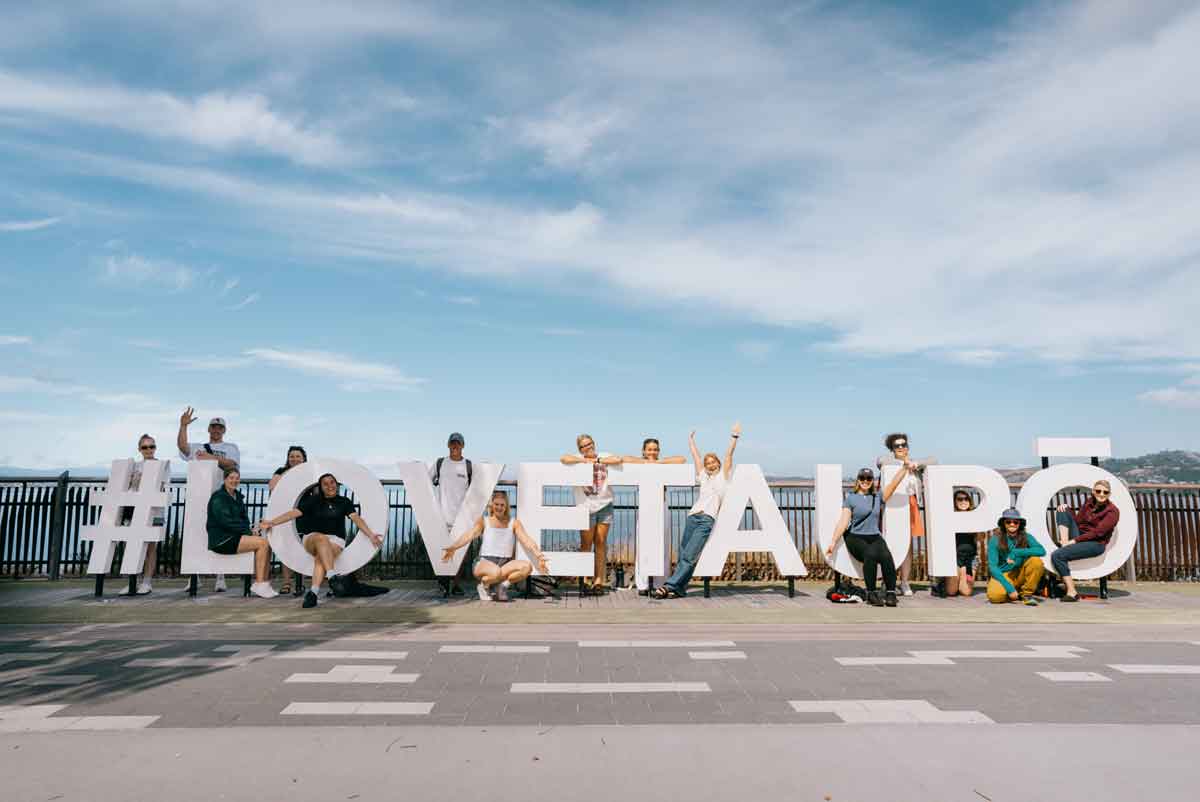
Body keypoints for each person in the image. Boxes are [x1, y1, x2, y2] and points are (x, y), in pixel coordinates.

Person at [259, 472, 384, 609]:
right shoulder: (314, 500)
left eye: (332, 482)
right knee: (321, 539)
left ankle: (313, 593)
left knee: (320, 558)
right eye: (325, 484)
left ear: (337, 484)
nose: (330, 486)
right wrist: (272, 522)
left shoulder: (344, 502)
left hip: (336, 541)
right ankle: (332, 576)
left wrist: (371, 535)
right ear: (320, 487)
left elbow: (357, 519)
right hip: (313, 538)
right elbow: (293, 513)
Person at [652, 423, 741, 599]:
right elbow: (696, 457)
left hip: (706, 519)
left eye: (712, 461)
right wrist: (691, 441)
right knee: (684, 554)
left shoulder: (724, 476)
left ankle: (669, 585)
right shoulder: (703, 477)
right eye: (707, 462)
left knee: (690, 556)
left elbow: (729, 454)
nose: (709, 464)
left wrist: (734, 437)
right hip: (692, 517)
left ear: (718, 463)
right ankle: (679, 589)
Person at [824, 466, 910, 607]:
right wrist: (833, 541)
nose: (865, 481)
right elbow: (843, 522)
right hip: (855, 536)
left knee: (886, 556)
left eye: (869, 478)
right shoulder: (851, 499)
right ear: (858, 480)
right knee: (870, 554)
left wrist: (904, 468)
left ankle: (890, 593)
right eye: (862, 478)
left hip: (874, 535)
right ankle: (871, 593)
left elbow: (893, 484)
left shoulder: (877, 497)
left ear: (873, 481)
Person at [441, 490, 549, 602]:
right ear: (492, 505)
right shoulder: (484, 521)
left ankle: (501, 587)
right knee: (496, 572)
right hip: (483, 563)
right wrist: (454, 547)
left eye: (502, 505)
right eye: (496, 504)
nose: (499, 507)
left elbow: (527, 540)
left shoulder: (514, 523)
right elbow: (470, 534)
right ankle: (483, 585)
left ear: (506, 506)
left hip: (503, 564)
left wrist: (539, 556)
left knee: (527, 567)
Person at [177, 407, 240, 593]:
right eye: (213, 427)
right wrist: (182, 426)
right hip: (199, 496)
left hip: (222, 495)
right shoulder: (198, 447)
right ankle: (193, 576)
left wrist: (209, 457)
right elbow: (182, 447)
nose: (216, 430)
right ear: (208, 429)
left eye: (219, 427)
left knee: (222, 533)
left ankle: (220, 577)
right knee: (195, 534)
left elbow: (231, 464)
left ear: (224, 430)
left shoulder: (231, 448)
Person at [621, 437, 686, 594]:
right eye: (649, 449)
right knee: (642, 544)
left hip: (661, 506)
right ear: (644, 450)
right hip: (644, 508)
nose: (652, 452)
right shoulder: (640, 465)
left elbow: (682, 459)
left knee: (662, 544)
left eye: (655, 449)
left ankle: (659, 583)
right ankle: (642, 584)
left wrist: (658, 463)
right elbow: (624, 458)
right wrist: (646, 462)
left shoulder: (663, 466)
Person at [561, 434, 622, 592]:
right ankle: (585, 579)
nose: (587, 447)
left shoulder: (604, 455)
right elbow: (564, 458)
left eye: (589, 444)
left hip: (605, 504)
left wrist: (598, 461)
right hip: (585, 506)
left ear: (594, 443)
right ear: (579, 449)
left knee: (601, 542)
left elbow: (618, 459)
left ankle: (599, 581)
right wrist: (583, 460)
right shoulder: (577, 458)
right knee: (586, 544)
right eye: (583, 446)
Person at [877, 433, 936, 596]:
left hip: (909, 504)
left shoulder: (915, 465)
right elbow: (880, 460)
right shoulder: (889, 463)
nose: (902, 448)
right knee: (889, 543)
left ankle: (904, 582)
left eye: (904, 444)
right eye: (897, 446)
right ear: (892, 450)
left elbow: (933, 460)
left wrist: (914, 464)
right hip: (893, 505)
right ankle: (887, 580)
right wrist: (902, 463)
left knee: (907, 544)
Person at [205, 468, 276, 598]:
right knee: (262, 544)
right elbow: (226, 522)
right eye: (231, 478)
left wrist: (251, 531)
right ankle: (259, 583)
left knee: (267, 543)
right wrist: (248, 532)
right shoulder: (219, 497)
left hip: (234, 536)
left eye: (237, 478)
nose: (234, 481)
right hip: (222, 539)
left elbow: (243, 519)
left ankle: (264, 583)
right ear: (225, 479)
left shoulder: (237, 496)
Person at [1050, 480, 1119, 602]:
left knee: (1057, 556)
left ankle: (1072, 592)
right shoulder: (1089, 502)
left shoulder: (1112, 511)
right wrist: (1067, 508)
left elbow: (1098, 533)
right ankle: (1064, 542)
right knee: (1063, 509)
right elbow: (1078, 521)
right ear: (1093, 491)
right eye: (1098, 491)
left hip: (1095, 544)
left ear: (1109, 494)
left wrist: (1074, 541)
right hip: (1080, 536)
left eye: (1105, 492)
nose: (1101, 494)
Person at [119, 434, 167, 595]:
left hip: (155, 510)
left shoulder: (163, 465)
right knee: (131, 546)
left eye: (152, 446)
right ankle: (132, 581)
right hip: (134, 509)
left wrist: (143, 481)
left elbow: (162, 486)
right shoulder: (135, 466)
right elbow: (128, 486)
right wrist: (135, 481)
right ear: (140, 449)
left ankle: (147, 582)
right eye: (145, 447)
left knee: (150, 547)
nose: (149, 450)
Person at [431, 432, 473, 596]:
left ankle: (455, 585)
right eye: (452, 443)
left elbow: (476, 490)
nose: (455, 446)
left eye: (458, 443)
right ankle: (443, 584)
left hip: (462, 518)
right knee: (441, 551)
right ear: (448, 445)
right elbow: (426, 481)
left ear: (463, 446)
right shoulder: (440, 463)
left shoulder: (468, 466)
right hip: (441, 516)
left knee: (460, 554)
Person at [269, 446, 308, 595]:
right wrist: (290, 472)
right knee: (286, 548)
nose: (295, 459)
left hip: (304, 513)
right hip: (285, 513)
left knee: (302, 547)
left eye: (298, 456)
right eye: (292, 456)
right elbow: (272, 486)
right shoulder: (281, 471)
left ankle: (301, 582)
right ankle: (286, 582)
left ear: (304, 458)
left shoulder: (309, 471)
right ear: (288, 458)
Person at [986, 508, 1045, 604]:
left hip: (1021, 573)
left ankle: (1026, 594)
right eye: (1008, 522)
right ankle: (1014, 592)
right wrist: (1009, 589)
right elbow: (993, 567)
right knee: (994, 597)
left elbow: (1041, 551)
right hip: (1004, 573)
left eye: (1015, 522)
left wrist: (1016, 552)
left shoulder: (1026, 536)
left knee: (1036, 561)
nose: (1012, 524)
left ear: (1020, 524)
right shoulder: (995, 539)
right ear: (1003, 524)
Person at [941, 490, 984, 598]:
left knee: (966, 592)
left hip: (970, 558)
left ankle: (962, 575)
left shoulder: (974, 518)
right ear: (954, 502)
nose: (963, 501)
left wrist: (977, 527)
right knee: (951, 591)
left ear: (970, 502)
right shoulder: (949, 517)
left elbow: (981, 539)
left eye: (966, 499)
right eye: (960, 499)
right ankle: (945, 580)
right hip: (954, 558)